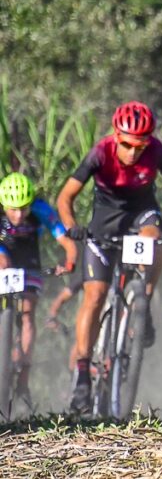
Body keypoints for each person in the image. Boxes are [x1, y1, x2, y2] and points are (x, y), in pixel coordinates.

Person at [57, 101, 162, 415]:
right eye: (127, 145)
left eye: (140, 146)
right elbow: (65, 196)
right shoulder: (100, 152)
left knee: (154, 238)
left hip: (142, 214)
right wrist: (71, 227)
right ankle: (83, 370)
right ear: (116, 136)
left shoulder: (157, 150)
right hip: (104, 224)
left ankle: (143, 299)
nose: (133, 153)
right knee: (94, 296)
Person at [0, 172, 77, 408]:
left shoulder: (41, 209)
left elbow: (63, 237)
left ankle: (23, 376)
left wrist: (71, 259)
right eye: (12, 209)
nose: (18, 214)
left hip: (29, 261)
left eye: (23, 208)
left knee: (28, 313)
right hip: (3, 254)